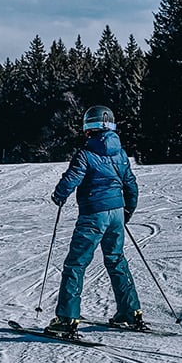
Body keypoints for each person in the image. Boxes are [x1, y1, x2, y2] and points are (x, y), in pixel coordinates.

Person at [45, 105, 144, 336]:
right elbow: (131, 185)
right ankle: (130, 312)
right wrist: (126, 211)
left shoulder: (86, 154)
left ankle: (67, 318)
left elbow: (71, 178)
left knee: (76, 263)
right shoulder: (120, 154)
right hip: (117, 213)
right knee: (116, 259)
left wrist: (59, 196)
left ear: (88, 127)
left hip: (93, 214)